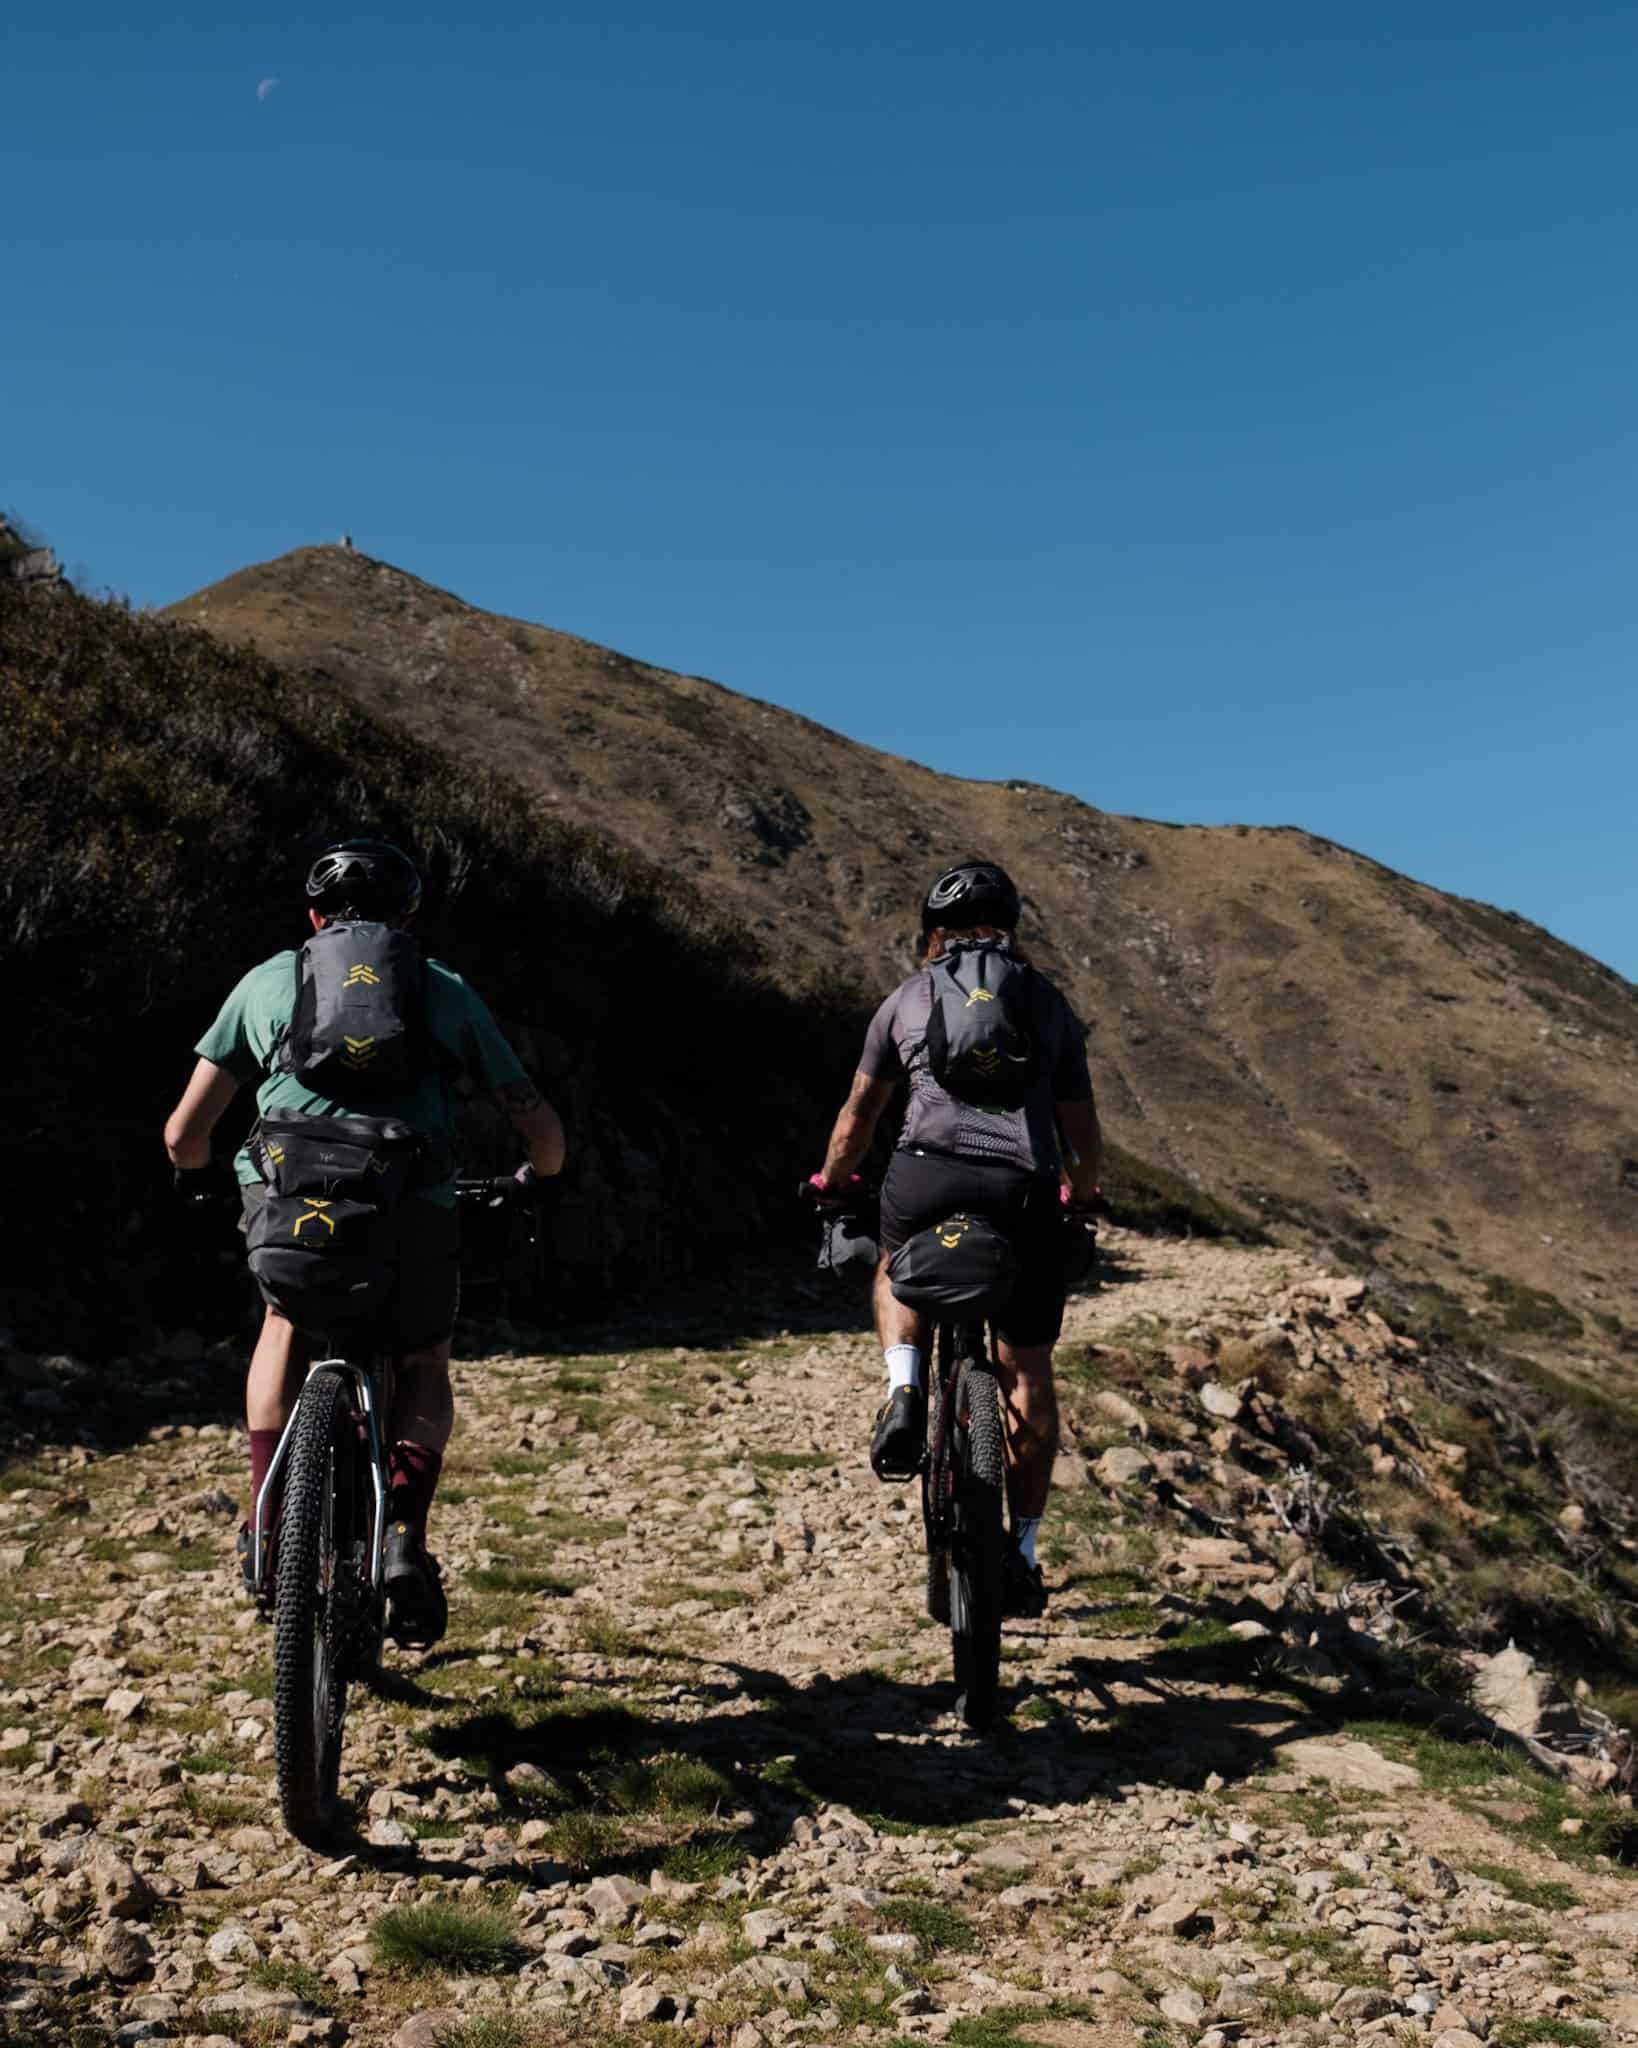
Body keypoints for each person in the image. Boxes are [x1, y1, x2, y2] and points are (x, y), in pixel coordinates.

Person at [162, 838, 565, 1644]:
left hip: (287, 1203)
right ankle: (405, 1535)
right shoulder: (439, 987)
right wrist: (537, 1177)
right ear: (407, 917)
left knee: (283, 1321)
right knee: (423, 1358)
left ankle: (270, 1522)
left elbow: (182, 1133)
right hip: (411, 1204)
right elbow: (535, 1122)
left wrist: (204, 1179)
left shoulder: (269, 981)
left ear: (313, 916)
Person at [811, 860, 1101, 1617]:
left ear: (931, 936)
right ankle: (1026, 1551)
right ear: (1011, 930)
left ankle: (905, 1390)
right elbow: (1083, 1134)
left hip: (926, 1178)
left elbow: (857, 1120)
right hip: (1025, 1190)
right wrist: (1083, 1198)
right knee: (1027, 1367)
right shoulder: (1046, 1003)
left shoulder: (906, 1000)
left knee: (894, 1265)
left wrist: (831, 1186)